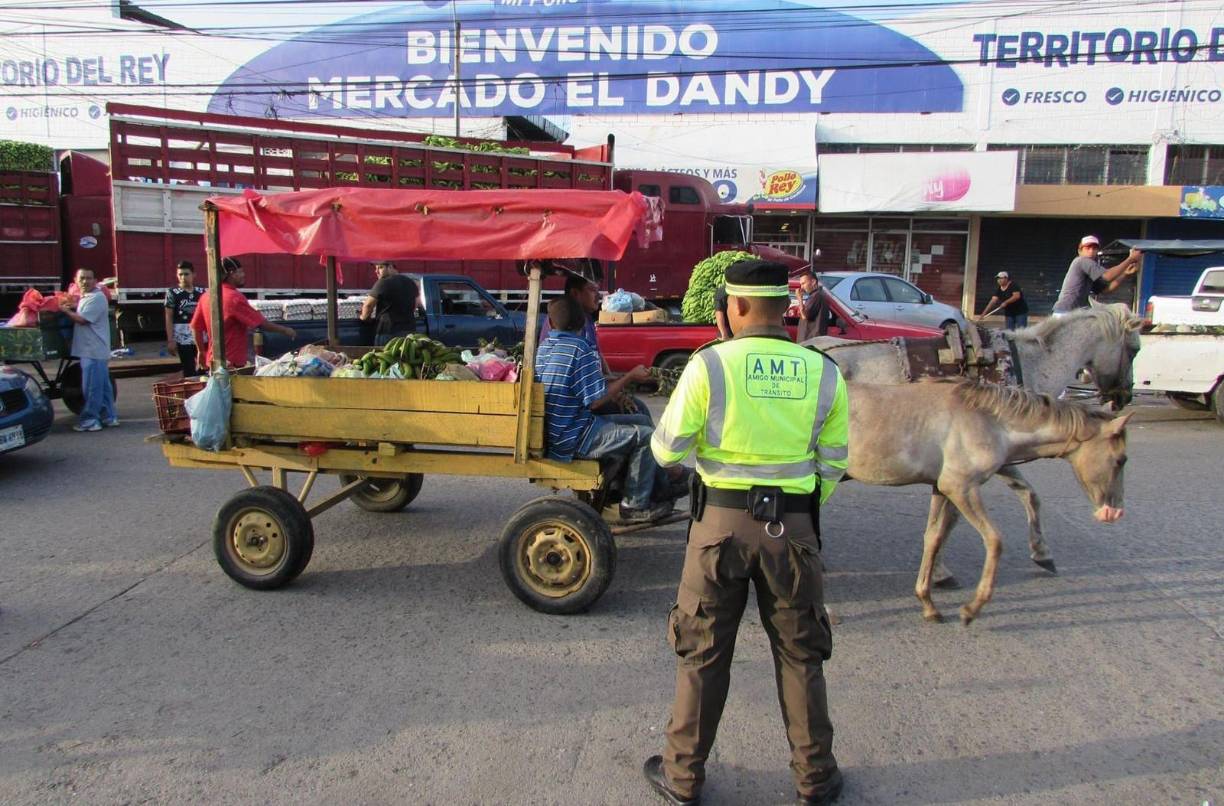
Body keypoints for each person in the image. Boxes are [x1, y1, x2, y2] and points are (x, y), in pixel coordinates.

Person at [643, 259, 849, 806]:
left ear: (733, 308)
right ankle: (815, 781)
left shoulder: (708, 366)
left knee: (702, 653)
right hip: (795, 531)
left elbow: (665, 450)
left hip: (717, 530)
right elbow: (833, 464)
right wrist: (798, 509)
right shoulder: (822, 370)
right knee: (802, 655)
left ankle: (682, 777)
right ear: (785, 309)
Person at [535, 296, 678, 523]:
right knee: (647, 436)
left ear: (551, 324)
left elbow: (587, 387)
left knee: (640, 419)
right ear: (583, 324)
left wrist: (620, 384)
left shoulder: (543, 349)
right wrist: (630, 376)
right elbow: (595, 401)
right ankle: (633, 505)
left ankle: (656, 487)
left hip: (561, 428)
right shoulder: (581, 349)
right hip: (574, 436)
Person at [542, 272, 653, 425]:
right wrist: (628, 378)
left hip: (587, 401)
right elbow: (594, 399)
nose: (598, 295)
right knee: (642, 426)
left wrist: (616, 387)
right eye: (592, 290)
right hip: (580, 417)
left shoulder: (585, 321)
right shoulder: (571, 339)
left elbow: (598, 356)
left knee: (639, 409)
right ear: (575, 293)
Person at [190, 257, 296, 370]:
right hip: (232, 363)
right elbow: (260, 323)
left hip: (213, 361)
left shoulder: (206, 296)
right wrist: (285, 330)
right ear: (231, 273)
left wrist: (201, 351)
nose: (243, 275)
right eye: (240, 271)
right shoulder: (234, 298)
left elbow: (195, 327)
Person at [59, 268, 118, 432]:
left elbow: (82, 319)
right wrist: (73, 305)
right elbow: (81, 310)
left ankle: (90, 420)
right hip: (95, 350)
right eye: (82, 278)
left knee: (92, 388)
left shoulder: (97, 298)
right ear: (76, 280)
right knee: (103, 388)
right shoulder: (88, 297)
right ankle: (109, 417)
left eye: (89, 278)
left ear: (95, 280)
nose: (85, 281)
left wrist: (65, 310)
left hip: (92, 351)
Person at [1051, 236, 1142, 315]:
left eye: (1094, 248)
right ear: (1080, 251)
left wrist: (1125, 274)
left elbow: (1106, 290)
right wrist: (1130, 259)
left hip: (1075, 313)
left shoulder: (1090, 269)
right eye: (1088, 248)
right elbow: (1107, 276)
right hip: (1066, 312)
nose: (1091, 251)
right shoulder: (1082, 261)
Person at [360, 261, 419, 346]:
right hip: (409, 332)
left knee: (384, 358)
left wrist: (364, 318)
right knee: (405, 358)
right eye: (375, 268)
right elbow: (415, 305)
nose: (376, 271)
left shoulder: (383, 282)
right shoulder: (411, 282)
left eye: (380, 267)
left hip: (387, 332)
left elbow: (368, 305)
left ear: (390, 267)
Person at [164, 261, 204, 377]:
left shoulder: (202, 292)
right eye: (180, 274)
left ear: (193, 275)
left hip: (201, 336)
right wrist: (170, 340)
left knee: (203, 368)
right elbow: (169, 316)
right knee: (189, 369)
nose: (183, 277)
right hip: (183, 337)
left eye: (186, 274)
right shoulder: (173, 293)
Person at [796, 269, 832, 342]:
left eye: (803, 283)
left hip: (811, 342)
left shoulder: (816, 296)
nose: (801, 287)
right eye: (801, 284)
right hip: (811, 341)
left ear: (813, 282)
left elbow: (804, 316)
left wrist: (800, 298)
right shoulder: (817, 295)